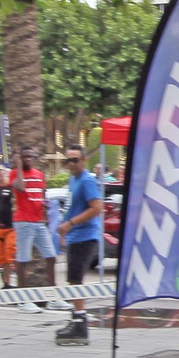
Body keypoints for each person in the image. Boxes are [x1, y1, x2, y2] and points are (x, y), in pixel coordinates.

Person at [54, 146, 104, 346]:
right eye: (69, 160)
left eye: (75, 160)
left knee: (75, 281)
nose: (72, 164)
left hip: (85, 236)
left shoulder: (87, 181)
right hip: (75, 236)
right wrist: (65, 230)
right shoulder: (73, 180)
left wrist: (71, 223)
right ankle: (76, 319)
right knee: (73, 281)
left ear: (84, 159)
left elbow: (97, 208)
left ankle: (80, 325)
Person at [11, 147, 69, 314]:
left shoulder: (39, 174)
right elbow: (20, 188)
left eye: (31, 156)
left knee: (51, 257)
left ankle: (53, 297)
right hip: (23, 221)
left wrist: (43, 208)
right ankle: (23, 300)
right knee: (23, 259)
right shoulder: (16, 173)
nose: (29, 158)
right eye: (25, 156)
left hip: (38, 222)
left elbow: (41, 195)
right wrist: (19, 166)